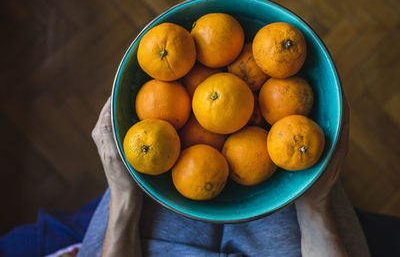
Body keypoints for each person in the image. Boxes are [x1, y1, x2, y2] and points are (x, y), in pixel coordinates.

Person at [78, 97, 370, 257]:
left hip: (146, 243)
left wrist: (124, 197)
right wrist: (314, 208)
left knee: (157, 143)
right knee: (302, 157)